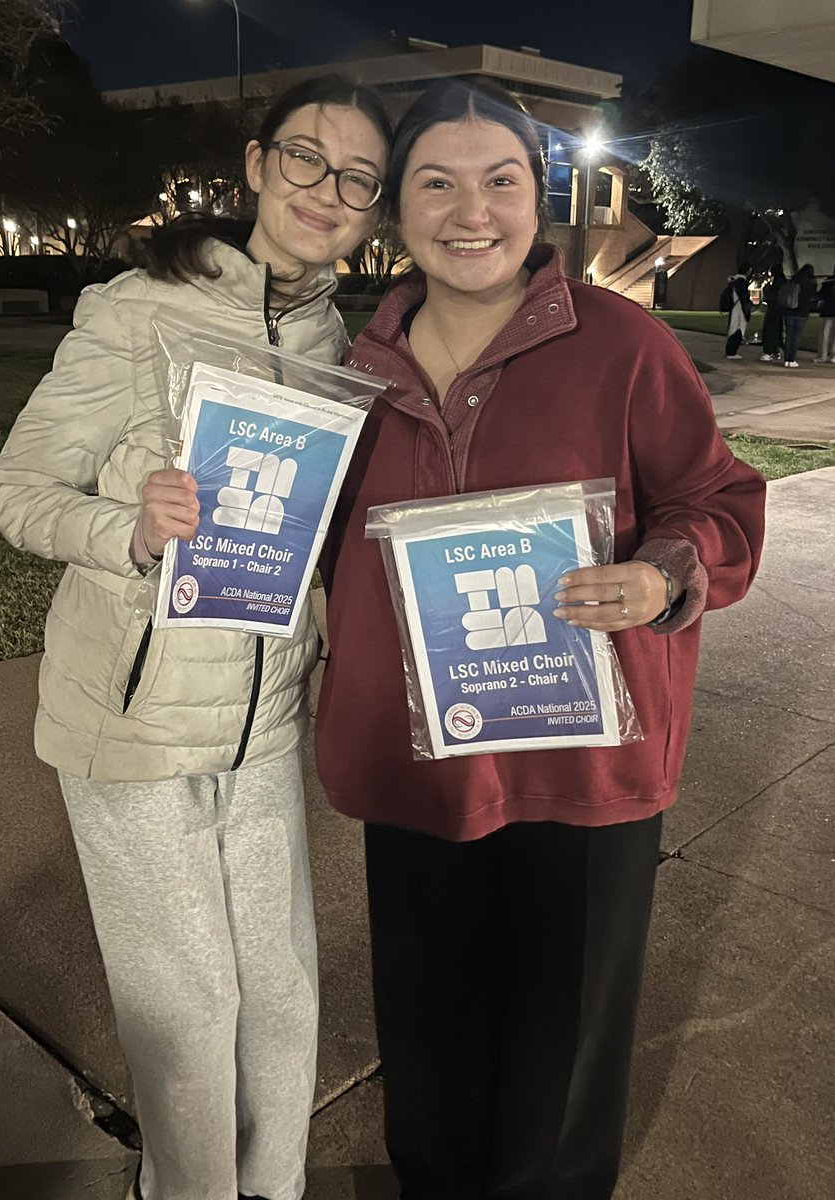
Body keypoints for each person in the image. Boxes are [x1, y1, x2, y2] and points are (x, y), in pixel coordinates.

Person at [316, 78, 766, 1200]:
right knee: (428, 1041)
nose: (472, 211)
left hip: (583, 768)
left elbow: (719, 499)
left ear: (539, 195)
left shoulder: (624, 345)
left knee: (556, 1073)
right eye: (438, 182)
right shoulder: (347, 368)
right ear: (396, 208)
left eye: (500, 181)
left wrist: (663, 574)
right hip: (418, 764)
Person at [0, 75, 390, 1200]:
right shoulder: (135, 310)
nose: (329, 188)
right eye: (307, 158)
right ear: (257, 164)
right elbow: (15, 492)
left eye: (358, 176)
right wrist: (130, 527)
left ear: (371, 208)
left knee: (281, 990)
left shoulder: (331, 340)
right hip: (134, 717)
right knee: (189, 1002)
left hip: (262, 721)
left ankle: (273, 1188)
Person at [780, 262, 818, 367]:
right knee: (796, 336)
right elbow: (813, 296)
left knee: (788, 335)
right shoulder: (811, 284)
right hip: (802, 312)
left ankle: (786, 359)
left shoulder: (793, 281)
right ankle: (792, 359)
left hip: (789, 310)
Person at [723, 260, 753, 358]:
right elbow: (744, 298)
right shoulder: (741, 282)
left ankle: (730, 351)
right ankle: (731, 352)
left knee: (733, 328)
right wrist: (747, 311)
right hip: (739, 308)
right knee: (738, 329)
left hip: (734, 307)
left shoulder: (734, 281)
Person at [759, 262, 786, 361]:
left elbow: (771, 296)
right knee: (777, 331)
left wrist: (766, 289)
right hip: (780, 310)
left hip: (774, 309)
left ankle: (768, 352)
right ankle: (775, 351)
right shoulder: (783, 281)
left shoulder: (777, 283)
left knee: (770, 330)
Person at [814, 262, 835, 364]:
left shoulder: (827, 282)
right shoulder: (828, 282)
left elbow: (820, 295)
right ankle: (833, 355)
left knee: (825, 335)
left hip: (827, 311)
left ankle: (822, 356)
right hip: (829, 311)